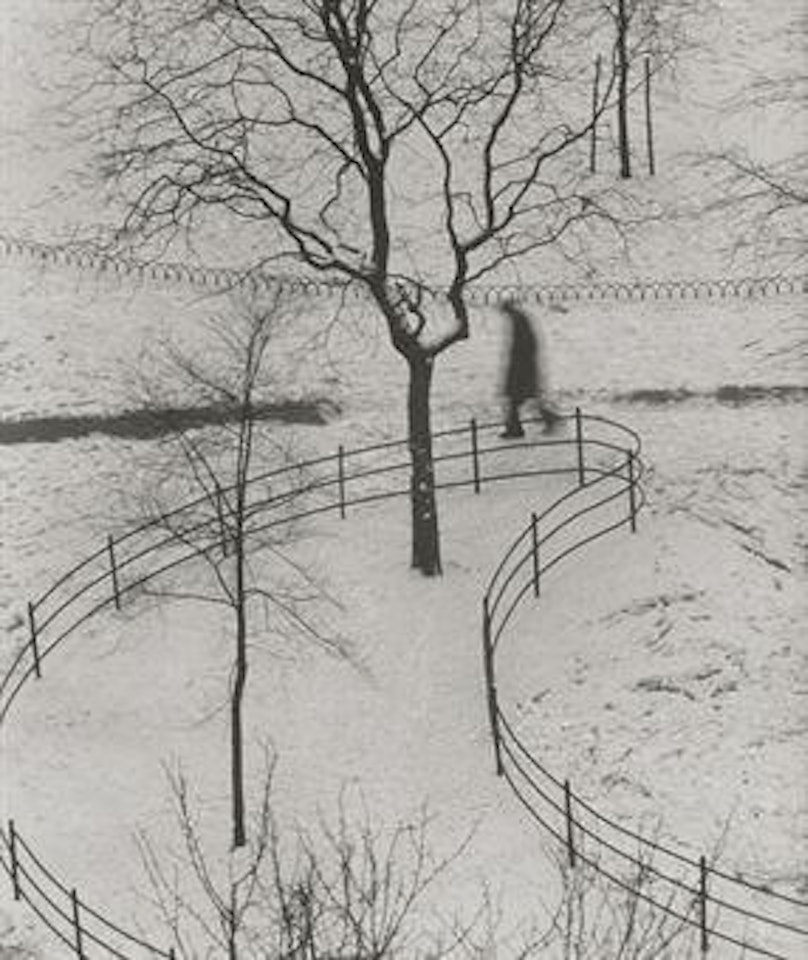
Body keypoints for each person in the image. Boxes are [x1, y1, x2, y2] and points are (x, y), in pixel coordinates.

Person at [500, 298, 561, 438]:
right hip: (522, 366)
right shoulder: (519, 319)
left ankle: (516, 429)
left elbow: (523, 345)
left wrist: (518, 365)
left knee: (517, 399)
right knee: (523, 399)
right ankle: (546, 420)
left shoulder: (518, 320)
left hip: (521, 368)